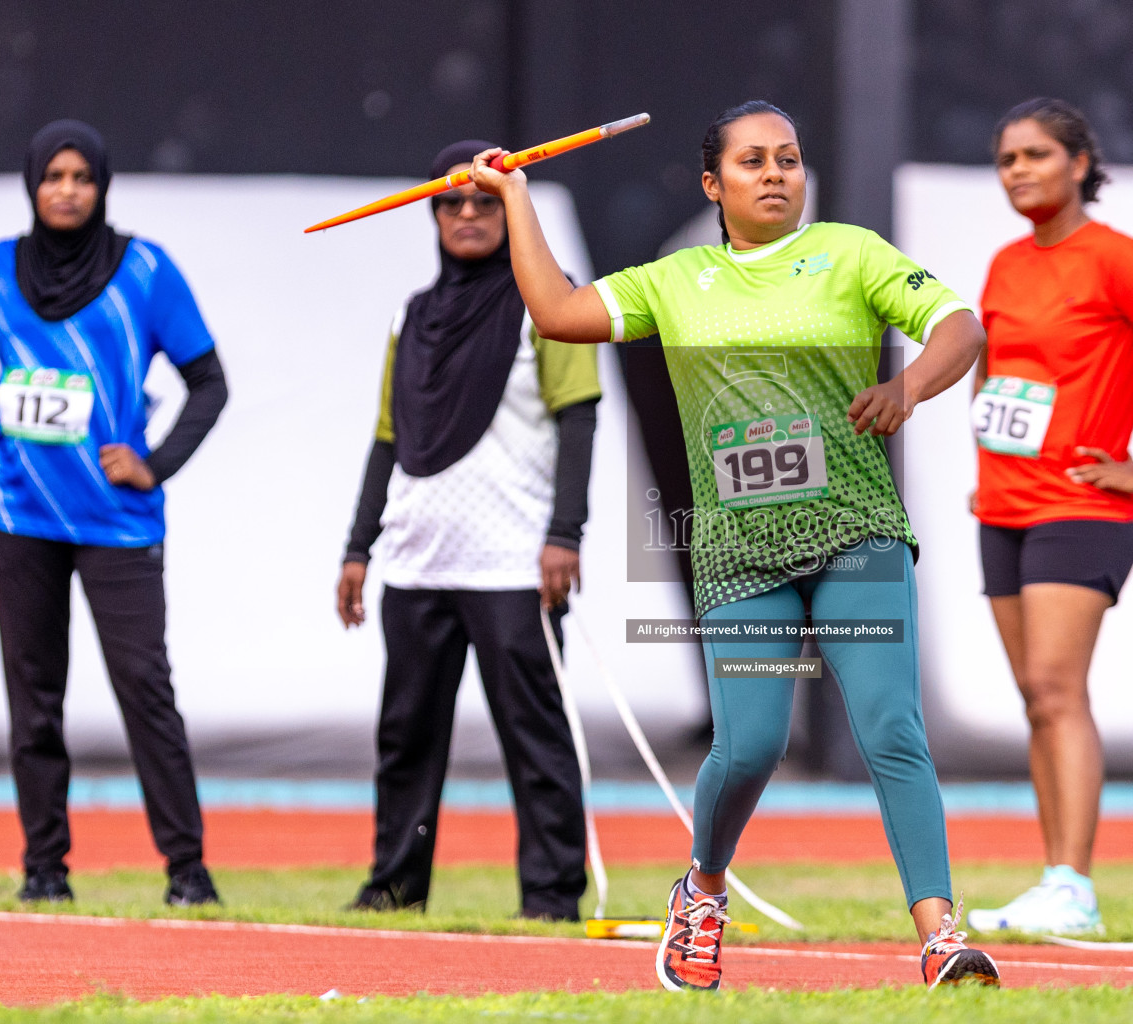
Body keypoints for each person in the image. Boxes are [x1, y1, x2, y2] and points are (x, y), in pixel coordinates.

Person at [468, 101, 1001, 991]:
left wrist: (908, 385)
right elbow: (558, 312)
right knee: (749, 747)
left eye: (788, 158)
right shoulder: (674, 281)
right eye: (753, 162)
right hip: (739, 552)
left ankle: (940, 937)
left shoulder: (852, 253)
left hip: (854, 533)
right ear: (714, 185)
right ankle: (703, 891)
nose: (776, 174)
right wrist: (515, 194)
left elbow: (963, 328)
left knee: (891, 730)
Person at [963, 99, 1133, 936]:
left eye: (1036, 155)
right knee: (1033, 699)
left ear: (1080, 163)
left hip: (1081, 506)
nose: (1019, 171)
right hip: (1003, 508)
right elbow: (997, 373)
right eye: (1006, 159)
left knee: (1054, 687)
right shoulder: (1005, 264)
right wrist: (984, 468)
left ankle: (1073, 883)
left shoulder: (1116, 260)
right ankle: (1053, 879)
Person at [337, 140, 600, 921]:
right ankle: (394, 885)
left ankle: (551, 896)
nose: (469, 214)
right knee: (405, 736)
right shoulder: (409, 317)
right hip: (417, 557)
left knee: (536, 737)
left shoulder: (549, 302)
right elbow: (388, 437)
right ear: (432, 212)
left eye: (487, 200)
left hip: (516, 561)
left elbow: (579, 417)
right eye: (453, 201)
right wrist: (358, 548)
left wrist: (566, 533)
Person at [0, 119, 228, 906]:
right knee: (33, 703)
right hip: (20, 522)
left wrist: (154, 464)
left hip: (118, 527)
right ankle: (43, 870)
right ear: (33, 183)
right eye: (53, 176)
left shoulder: (146, 271)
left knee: (144, 689)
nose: (66, 190)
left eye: (81, 177)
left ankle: (187, 871)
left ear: (102, 186)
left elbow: (210, 383)